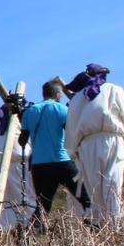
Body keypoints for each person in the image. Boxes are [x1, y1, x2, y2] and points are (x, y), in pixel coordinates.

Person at [65, 64, 124, 225]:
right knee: (112, 183)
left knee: (94, 188)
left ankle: (100, 226)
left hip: (86, 145)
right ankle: (114, 227)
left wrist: (73, 150)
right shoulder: (113, 90)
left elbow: (71, 128)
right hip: (111, 139)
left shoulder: (77, 99)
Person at [21, 80, 89, 230]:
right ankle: (95, 227)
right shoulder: (62, 110)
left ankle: (31, 235)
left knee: (42, 204)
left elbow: (22, 140)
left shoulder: (29, 112)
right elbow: (71, 133)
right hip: (62, 162)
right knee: (84, 196)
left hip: (39, 166)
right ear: (58, 94)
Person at [0, 103, 36, 233]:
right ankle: (23, 234)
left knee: (6, 206)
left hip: (4, 171)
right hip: (19, 169)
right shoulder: (20, 125)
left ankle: (15, 235)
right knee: (25, 203)